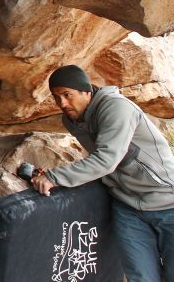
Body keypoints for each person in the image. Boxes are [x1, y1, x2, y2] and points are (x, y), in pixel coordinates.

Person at [31, 65, 174, 282]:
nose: (62, 104)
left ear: (86, 91)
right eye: (56, 97)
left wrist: (54, 177)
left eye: (67, 95)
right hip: (127, 207)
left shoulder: (117, 108)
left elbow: (106, 160)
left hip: (167, 201)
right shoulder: (71, 120)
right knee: (141, 276)